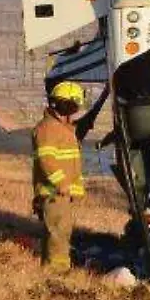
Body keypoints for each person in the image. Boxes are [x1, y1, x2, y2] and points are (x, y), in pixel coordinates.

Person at [31, 80, 109, 272]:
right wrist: (62, 183)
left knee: (60, 231)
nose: (75, 111)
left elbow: (71, 155)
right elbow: (46, 160)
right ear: (64, 104)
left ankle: (52, 268)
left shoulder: (64, 128)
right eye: (73, 106)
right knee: (59, 232)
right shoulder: (48, 129)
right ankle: (57, 272)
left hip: (61, 194)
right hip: (54, 193)